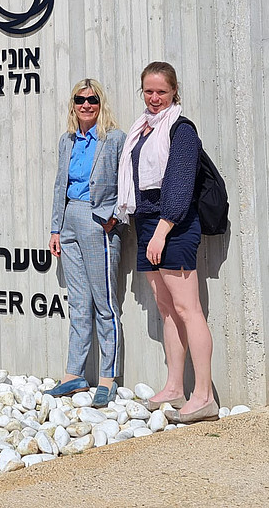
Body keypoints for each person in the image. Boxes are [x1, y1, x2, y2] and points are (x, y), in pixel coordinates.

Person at [117, 61, 217, 423]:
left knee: (189, 309)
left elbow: (179, 185)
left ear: (175, 91)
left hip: (174, 225)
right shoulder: (141, 129)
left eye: (161, 91)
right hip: (146, 223)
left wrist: (162, 231)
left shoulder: (181, 129)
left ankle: (204, 396)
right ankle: (175, 387)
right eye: (149, 91)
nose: (155, 97)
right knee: (166, 308)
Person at [45, 79, 127, 407]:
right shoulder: (67, 140)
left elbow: (128, 182)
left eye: (92, 99)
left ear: (100, 103)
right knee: (78, 303)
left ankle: (107, 377)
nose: (86, 105)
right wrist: (55, 228)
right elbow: (59, 184)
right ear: (73, 104)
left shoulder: (114, 139)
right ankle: (73, 375)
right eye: (80, 100)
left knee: (105, 303)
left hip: (98, 220)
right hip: (69, 221)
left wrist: (114, 216)